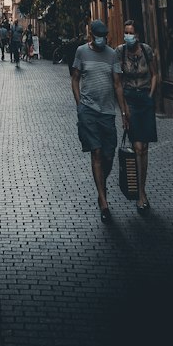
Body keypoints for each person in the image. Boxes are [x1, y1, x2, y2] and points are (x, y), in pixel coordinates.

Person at [71, 19, 127, 223]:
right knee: (96, 152)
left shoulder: (112, 55)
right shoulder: (81, 52)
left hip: (107, 112)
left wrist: (123, 112)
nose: (101, 40)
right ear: (91, 36)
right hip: (88, 110)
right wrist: (79, 105)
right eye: (98, 36)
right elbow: (75, 78)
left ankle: (101, 184)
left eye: (104, 36)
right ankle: (103, 201)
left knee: (109, 155)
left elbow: (118, 84)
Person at [118, 19, 159, 214]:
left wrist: (150, 96)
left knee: (145, 148)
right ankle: (139, 193)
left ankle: (142, 190)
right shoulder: (120, 52)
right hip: (130, 101)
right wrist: (124, 109)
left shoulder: (146, 50)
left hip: (144, 100)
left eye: (131, 33)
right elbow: (117, 81)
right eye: (126, 32)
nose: (128, 36)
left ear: (138, 35)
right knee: (137, 146)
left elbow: (153, 74)